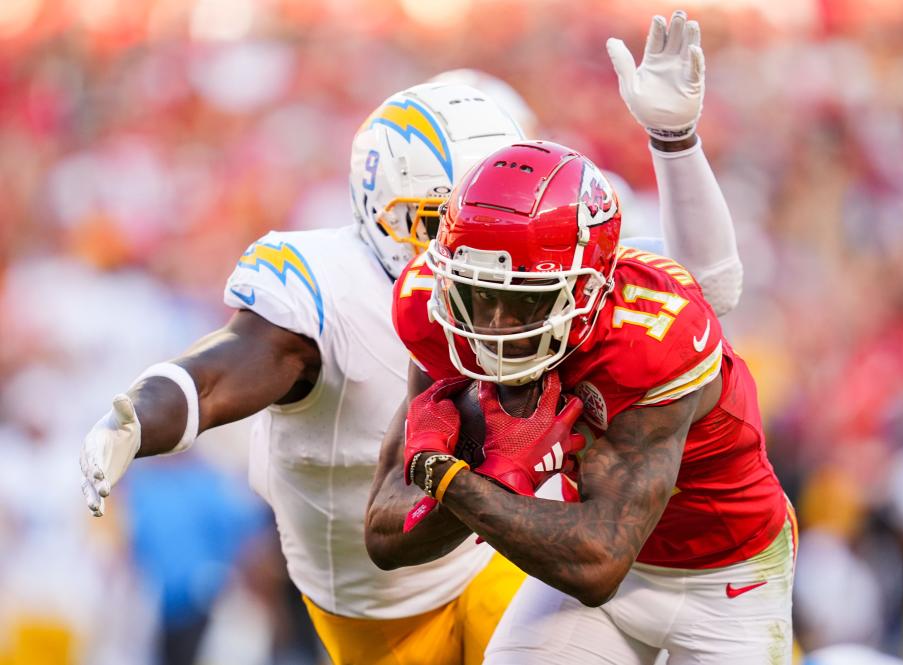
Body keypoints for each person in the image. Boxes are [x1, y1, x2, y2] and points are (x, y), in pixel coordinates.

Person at [366, 11, 795, 665]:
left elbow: (597, 559)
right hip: (589, 565)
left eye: (523, 302)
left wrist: (461, 481)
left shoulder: (652, 337)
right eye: (480, 297)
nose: (495, 326)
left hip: (725, 577)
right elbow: (384, 533)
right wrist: (478, 478)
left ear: (588, 287)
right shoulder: (435, 308)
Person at [79, 81, 528, 665]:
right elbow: (215, 376)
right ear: (383, 210)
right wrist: (141, 416)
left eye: (491, 223)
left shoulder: (524, 281)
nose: (474, 252)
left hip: (494, 551)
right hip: (383, 614)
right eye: (441, 221)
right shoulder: (327, 289)